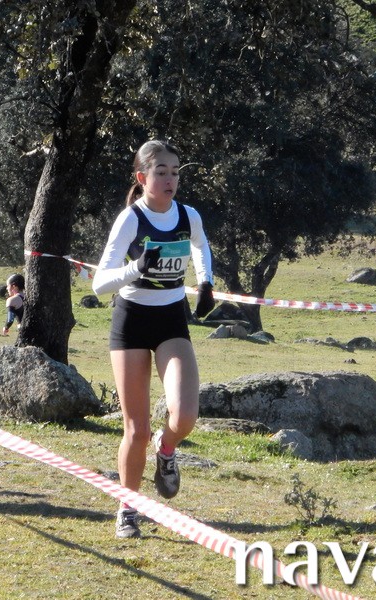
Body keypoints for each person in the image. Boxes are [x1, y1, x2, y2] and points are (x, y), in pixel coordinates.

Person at [93, 140, 215, 539]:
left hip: (171, 320)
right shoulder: (131, 219)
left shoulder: (188, 215)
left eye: (175, 172)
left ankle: (167, 448)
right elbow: (99, 284)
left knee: (185, 415)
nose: (170, 179)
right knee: (136, 430)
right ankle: (128, 510)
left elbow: (200, 245)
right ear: (142, 177)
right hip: (131, 321)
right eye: (161, 172)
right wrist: (136, 267)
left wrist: (206, 282)